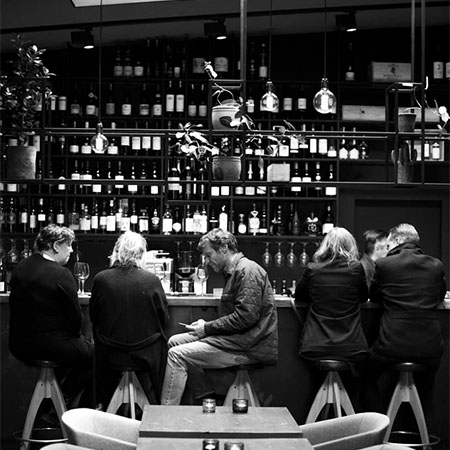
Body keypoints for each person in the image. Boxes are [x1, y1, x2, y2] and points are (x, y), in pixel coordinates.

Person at [160, 228, 278, 405]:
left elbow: (245, 318)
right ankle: (206, 395)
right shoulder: (235, 271)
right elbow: (238, 317)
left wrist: (207, 328)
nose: (207, 262)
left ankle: (165, 415)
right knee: (174, 342)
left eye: (209, 255)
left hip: (249, 347)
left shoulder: (248, 271)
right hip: (237, 340)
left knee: (176, 354)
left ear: (223, 248)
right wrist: (206, 325)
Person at [364, 223, 446, 430]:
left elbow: (374, 297)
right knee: (426, 388)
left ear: (399, 241)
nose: (388, 248)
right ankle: (425, 437)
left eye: (389, 244)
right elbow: (439, 296)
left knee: (364, 375)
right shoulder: (436, 265)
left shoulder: (385, 265)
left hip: (392, 344)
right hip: (430, 346)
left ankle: (380, 430)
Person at [9, 224, 94, 408]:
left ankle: (50, 405)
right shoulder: (61, 273)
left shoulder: (21, 268)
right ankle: (61, 403)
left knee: (74, 353)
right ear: (56, 246)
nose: (71, 250)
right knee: (96, 355)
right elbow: (75, 323)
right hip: (51, 347)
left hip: (19, 346)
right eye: (68, 245)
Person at [90, 231, 169, 408]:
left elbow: (94, 316)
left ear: (116, 251)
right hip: (146, 356)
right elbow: (163, 319)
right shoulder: (152, 280)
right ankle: (156, 407)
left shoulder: (101, 279)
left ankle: (103, 407)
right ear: (141, 254)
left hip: (110, 354)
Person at [294, 227, 369, 409]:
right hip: (351, 346)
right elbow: (363, 297)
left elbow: (300, 296)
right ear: (350, 246)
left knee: (315, 383)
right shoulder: (356, 269)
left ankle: (317, 420)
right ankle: (350, 420)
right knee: (356, 384)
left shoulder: (313, 269)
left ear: (325, 246)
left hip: (316, 345)